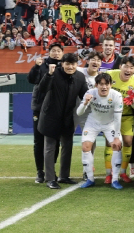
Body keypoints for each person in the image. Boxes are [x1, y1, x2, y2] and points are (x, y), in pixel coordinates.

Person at [38, 53, 88, 189]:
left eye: (73, 64)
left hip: (67, 117)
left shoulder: (80, 76)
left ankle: (64, 176)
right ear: (62, 64)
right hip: (50, 116)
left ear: (77, 65)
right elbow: (42, 89)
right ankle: (50, 178)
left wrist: (93, 97)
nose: (70, 67)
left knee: (68, 146)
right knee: (49, 147)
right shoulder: (53, 74)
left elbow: (85, 94)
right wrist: (48, 75)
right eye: (68, 64)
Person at [76, 73, 124, 189]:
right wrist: (85, 103)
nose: (104, 87)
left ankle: (115, 179)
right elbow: (79, 113)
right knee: (86, 147)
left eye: (106, 84)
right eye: (101, 84)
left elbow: (118, 118)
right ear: (96, 85)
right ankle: (90, 179)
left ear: (110, 85)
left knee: (117, 146)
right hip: (93, 123)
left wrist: (117, 136)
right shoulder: (90, 93)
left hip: (110, 124)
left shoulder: (117, 96)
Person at [28, 43, 64, 183]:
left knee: (54, 141)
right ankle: (40, 172)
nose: (56, 53)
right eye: (53, 51)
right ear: (49, 52)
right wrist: (36, 66)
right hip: (39, 107)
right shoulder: (42, 64)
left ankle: (50, 170)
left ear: (62, 53)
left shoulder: (65, 66)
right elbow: (31, 80)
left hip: (55, 109)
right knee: (38, 140)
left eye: (58, 51)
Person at [106, 56, 134, 184]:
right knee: (110, 143)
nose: (128, 69)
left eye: (132, 67)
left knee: (128, 142)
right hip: (110, 116)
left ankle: (123, 172)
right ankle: (108, 173)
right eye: (126, 66)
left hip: (127, 116)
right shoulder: (109, 74)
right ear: (120, 66)